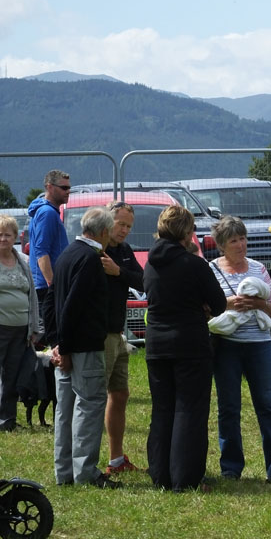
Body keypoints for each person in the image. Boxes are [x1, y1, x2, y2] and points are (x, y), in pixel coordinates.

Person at [143, 205, 226, 492]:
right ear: (187, 232)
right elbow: (219, 304)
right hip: (190, 343)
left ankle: (160, 474)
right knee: (189, 409)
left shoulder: (151, 264)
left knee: (162, 409)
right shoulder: (194, 264)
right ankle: (186, 477)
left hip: (156, 344)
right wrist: (201, 306)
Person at [207, 216, 271, 482]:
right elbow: (205, 309)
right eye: (234, 240)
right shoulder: (211, 270)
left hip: (260, 346)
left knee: (267, 404)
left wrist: (260, 306)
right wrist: (229, 304)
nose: (241, 245)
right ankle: (230, 467)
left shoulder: (259, 269)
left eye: (243, 239)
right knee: (229, 407)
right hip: (226, 347)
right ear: (222, 245)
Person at [51, 207, 117, 488]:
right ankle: (86, 473)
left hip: (65, 345)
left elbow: (52, 300)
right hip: (83, 346)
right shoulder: (91, 259)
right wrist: (64, 347)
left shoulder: (67, 254)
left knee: (65, 409)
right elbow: (74, 305)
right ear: (103, 232)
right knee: (89, 406)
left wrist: (56, 342)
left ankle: (64, 471)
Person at [100, 201, 144, 475]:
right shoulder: (96, 249)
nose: (125, 230)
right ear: (107, 220)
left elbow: (141, 281)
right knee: (93, 399)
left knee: (120, 393)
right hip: (99, 335)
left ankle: (116, 459)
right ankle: (85, 462)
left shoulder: (124, 251)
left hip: (118, 333)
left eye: (129, 226)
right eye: (121, 224)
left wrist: (119, 273)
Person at [0, 214, 40, 432]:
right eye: (0, 235)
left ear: (16, 237)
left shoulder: (22, 262)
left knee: (12, 375)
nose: (3, 239)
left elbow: (32, 294)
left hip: (21, 330)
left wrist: (34, 327)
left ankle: (8, 420)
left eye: (7, 235)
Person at [27, 170, 70, 310]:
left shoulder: (48, 211)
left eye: (69, 188)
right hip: (46, 288)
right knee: (48, 330)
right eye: (64, 188)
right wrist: (53, 285)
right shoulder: (47, 213)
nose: (68, 191)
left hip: (45, 286)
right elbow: (41, 251)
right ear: (49, 187)